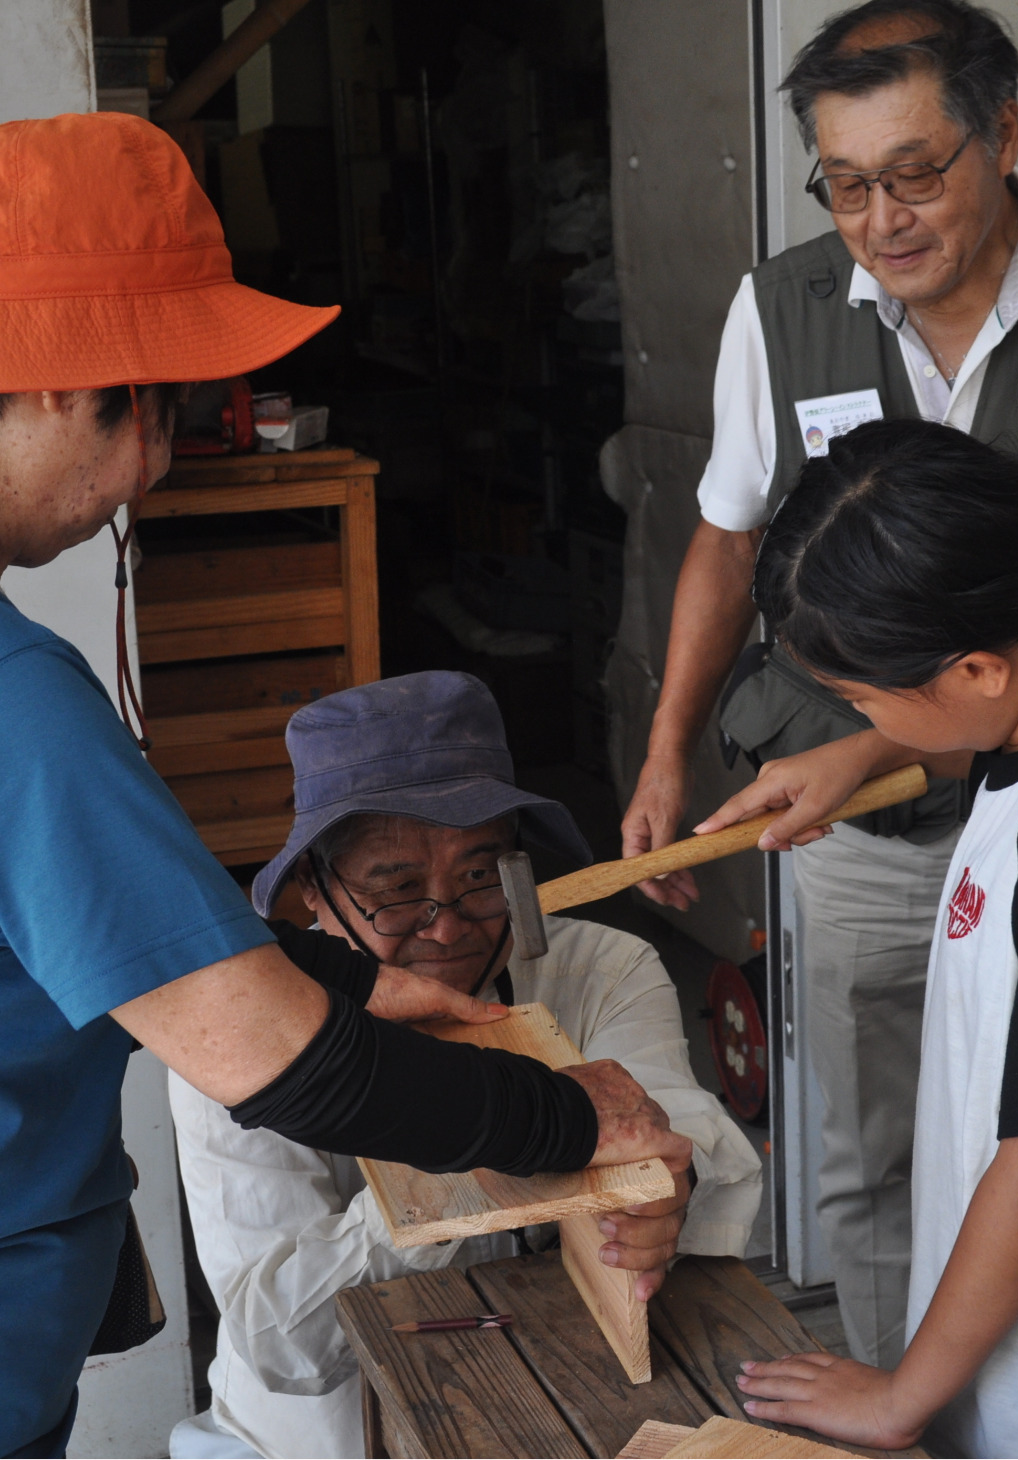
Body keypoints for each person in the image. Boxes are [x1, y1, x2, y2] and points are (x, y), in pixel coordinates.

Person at [0, 112, 688, 1459]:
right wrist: (567, 1116)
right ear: (69, 384)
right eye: (162, 410)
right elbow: (274, 1061)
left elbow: (142, 940)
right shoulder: (20, 699)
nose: (154, 469)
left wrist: (354, 979)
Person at [621, 0, 1018, 1367]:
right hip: (864, 826)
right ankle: (896, 1395)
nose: (882, 220)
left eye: (916, 174)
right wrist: (667, 750)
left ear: (1003, 134)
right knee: (883, 1137)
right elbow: (728, 536)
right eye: (845, 185)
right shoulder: (782, 309)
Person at [692, 418, 1018, 1455]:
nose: (856, 721)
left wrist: (898, 1399)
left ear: (974, 670)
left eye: (857, 698)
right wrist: (863, 754)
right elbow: (973, 734)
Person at [167, 672, 762, 1459]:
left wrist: (668, 1193)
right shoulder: (234, 1035)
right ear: (312, 888)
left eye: (480, 878)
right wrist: (469, 1150)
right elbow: (280, 1345)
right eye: (398, 891)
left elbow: (688, 1139)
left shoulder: (602, 970)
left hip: (566, 1400)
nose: (447, 929)